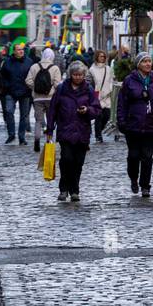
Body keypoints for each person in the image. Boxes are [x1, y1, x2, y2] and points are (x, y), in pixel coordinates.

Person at [116, 53, 153, 198]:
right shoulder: (129, 81)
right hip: (133, 124)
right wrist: (121, 120)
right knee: (134, 156)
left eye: (149, 61)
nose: (148, 64)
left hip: (151, 124)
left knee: (147, 156)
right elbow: (122, 102)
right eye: (144, 61)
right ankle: (134, 178)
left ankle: (145, 185)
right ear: (138, 64)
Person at [46, 60, 101, 202]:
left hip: (82, 131)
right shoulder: (61, 88)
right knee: (66, 160)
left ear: (84, 75)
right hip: (65, 130)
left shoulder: (88, 89)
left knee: (78, 162)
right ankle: (64, 189)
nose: (78, 77)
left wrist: (87, 110)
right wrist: (50, 129)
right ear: (71, 75)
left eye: (80, 75)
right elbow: (53, 109)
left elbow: (96, 109)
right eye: (75, 75)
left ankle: (75, 190)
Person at [26, 48, 63, 152]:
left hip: (37, 98)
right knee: (50, 120)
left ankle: (37, 140)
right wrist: (51, 89)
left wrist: (36, 88)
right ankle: (48, 140)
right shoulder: (55, 68)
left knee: (38, 121)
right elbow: (57, 84)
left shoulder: (34, 66)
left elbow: (28, 80)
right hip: (51, 98)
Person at [1, 42, 33, 145]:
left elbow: (32, 76)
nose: (21, 51)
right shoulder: (7, 62)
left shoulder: (29, 62)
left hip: (25, 92)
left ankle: (21, 137)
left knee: (24, 116)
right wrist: (6, 86)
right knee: (9, 111)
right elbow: (2, 76)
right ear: (14, 51)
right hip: (10, 92)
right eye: (18, 49)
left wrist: (30, 87)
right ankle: (11, 135)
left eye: (22, 49)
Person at [88, 51, 114, 142]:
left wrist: (110, 89)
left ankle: (99, 130)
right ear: (96, 57)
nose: (102, 58)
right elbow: (90, 83)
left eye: (104, 56)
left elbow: (111, 80)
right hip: (97, 95)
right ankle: (98, 136)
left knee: (107, 115)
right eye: (100, 56)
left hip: (107, 95)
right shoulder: (92, 69)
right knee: (98, 116)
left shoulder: (108, 68)